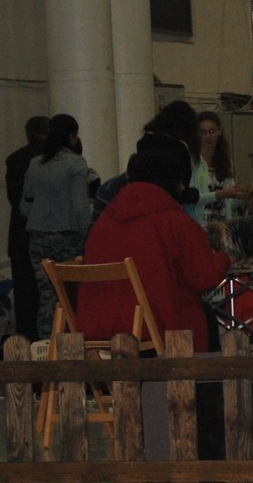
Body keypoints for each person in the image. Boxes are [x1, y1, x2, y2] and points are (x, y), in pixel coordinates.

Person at [77, 150, 231, 351]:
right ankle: (203, 381)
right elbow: (204, 278)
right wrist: (223, 258)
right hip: (157, 330)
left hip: (97, 328)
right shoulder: (174, 221)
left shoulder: (105, 221)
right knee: (203, 313)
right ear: (172, 182)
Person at [20, 113, 93, 339]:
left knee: (46, 295)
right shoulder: (76, 163)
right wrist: (88, 233)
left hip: (38, 237)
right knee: (70, 295)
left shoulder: (35, 164)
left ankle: (46, 343)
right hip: (68, 236)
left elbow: (25, 204)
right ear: (72, 136)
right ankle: (70, 341)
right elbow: (81, 206)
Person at [5, 115, 49, 340]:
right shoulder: (55, 159)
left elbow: (14, 198)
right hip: (49, 234)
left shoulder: (14, 159)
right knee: (49, 295)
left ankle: (26, 346)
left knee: (25, 297)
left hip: (20, 236)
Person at [194, 111, 246, 223]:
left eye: (212, 131)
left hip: (222, 224)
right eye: (203, 132)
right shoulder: (192, 162)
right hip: (199, 223)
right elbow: (193, 198)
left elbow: (229, 203)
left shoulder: (227, 162)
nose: (208, 136)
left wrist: (243, 196)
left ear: (219, 131)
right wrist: (220, 194)